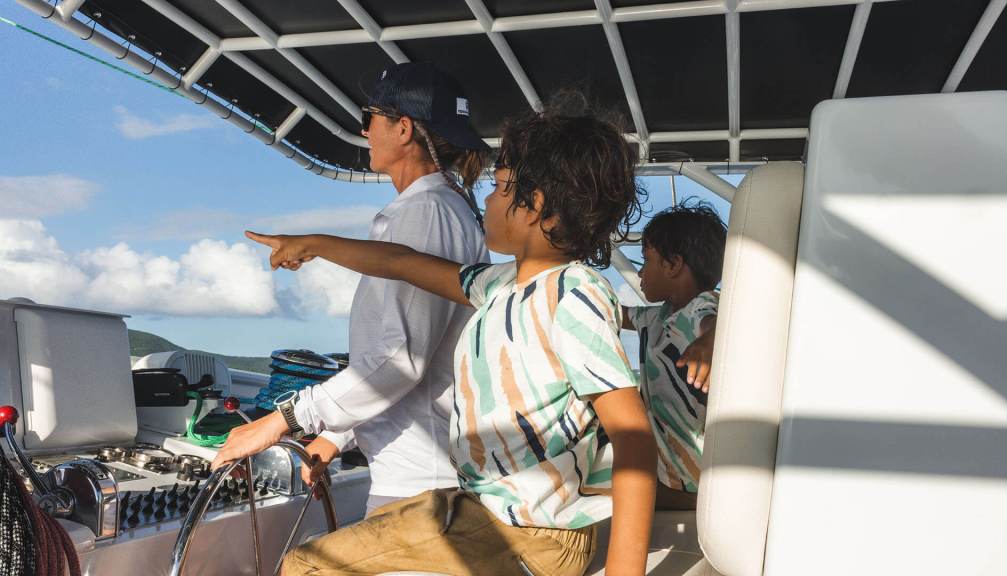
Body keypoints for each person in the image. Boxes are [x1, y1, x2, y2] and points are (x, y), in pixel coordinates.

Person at [225, 104, 658, 576]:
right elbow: (401, 262)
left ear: (535, 206)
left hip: (536, 536)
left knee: (306, 565)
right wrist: (311, 244)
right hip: (485, 512)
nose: (485, 200)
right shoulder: (500, 285)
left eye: (499, 187)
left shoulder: (574, 294)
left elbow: (633, 438)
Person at [215, 62, 491, 515]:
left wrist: (283, 420)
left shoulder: (425, 213)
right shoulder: (436, 210)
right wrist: (335, 436)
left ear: (403, 128)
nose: (364, 132)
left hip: (420, 485)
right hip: (414, 473)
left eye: (369, 118)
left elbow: (401, 359)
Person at [620, 201, 727, 510]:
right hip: (668, 469)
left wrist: (710, 342)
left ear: (674, 265)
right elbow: (610, 311)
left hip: (688, 476)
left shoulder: (701, 308)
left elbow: (723, 319)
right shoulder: (657, 317)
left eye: (646, 260)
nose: (640, 272)